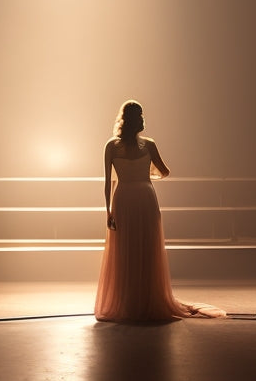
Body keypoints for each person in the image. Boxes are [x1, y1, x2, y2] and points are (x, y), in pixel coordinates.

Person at [94, 100, 226, 322]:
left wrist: (108, 212)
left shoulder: (111, 146)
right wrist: (147, 175)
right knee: (146, 248)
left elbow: (108, 182)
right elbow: (165, 172)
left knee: (126, 250)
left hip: (123, 197)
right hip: (145, 196)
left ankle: (127, 301)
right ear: (140, 120)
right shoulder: (149, 144)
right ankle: (146, 299)